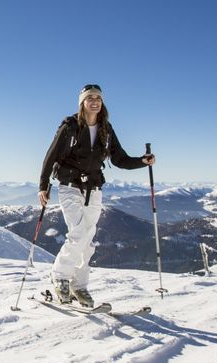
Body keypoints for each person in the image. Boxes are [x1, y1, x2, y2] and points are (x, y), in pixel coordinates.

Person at [38, 83, 156, 307]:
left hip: (95, 189)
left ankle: (79, 285)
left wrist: (142, 161)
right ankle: (60, 276)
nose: (95, 101)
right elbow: (50, 155)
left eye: (98, 98)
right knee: (79, 233)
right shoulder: (70, 126)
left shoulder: (106, 129)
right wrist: (43, 186)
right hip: (70, 186)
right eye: (90, 97)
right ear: (82, 102)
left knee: (88, 241)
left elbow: (119, 159)